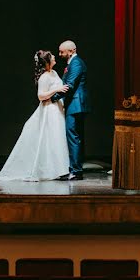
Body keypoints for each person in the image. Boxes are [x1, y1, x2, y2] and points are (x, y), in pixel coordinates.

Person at [0, 50, 70, 181]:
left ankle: (60, 168)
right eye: (52, 57)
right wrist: (56, 90)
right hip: (48, 110)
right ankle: (50, 169)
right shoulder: (44, 77)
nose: (55, 57)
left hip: (57, 108)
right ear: (47, 61)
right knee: (51, 137)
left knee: (58, 137)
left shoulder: (54, 72)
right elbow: (41, 96)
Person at [52, 40, 91, 180]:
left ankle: (75, 170)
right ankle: (75, 168)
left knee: (73, 137)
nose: (60, 54)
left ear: (71, 51)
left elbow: (69, 85)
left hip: (75, 105)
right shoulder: (73, 63)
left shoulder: (76, 63)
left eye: (62, 52)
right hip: (75, 105)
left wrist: (52, 97)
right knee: (76, 137)